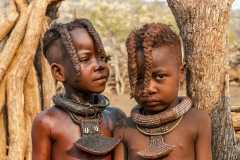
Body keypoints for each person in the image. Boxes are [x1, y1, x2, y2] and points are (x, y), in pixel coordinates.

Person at [113, 23, 212, 160]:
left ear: (182, 72)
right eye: (139, 78)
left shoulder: (197, 121)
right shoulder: (123, 129)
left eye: (160, 77)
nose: (148, 88)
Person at [32, 18, 126, 160]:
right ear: (59, 72)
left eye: (102, 57)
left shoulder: (116, 117)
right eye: (85, 59)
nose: (99, 65)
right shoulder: (47, 122)